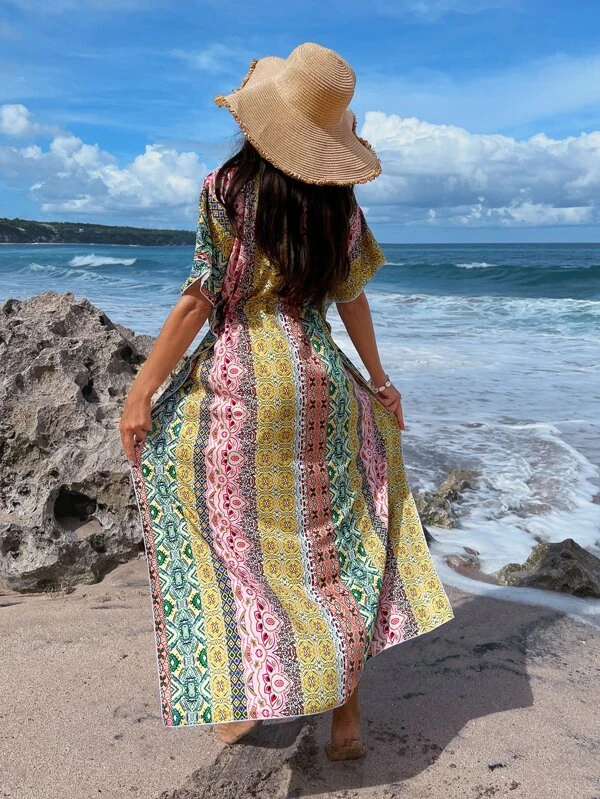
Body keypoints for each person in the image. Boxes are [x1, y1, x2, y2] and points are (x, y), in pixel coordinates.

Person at [120, 42, 454, 762]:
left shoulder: (226, 188)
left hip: (244, 384)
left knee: (233, 539)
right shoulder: (341, 204)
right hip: (322, 384)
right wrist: (380, 380)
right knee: (330, 544)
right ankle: (346, 716)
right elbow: (351, 299)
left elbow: (199, 300)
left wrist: (142, 391)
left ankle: (244, 702)